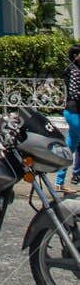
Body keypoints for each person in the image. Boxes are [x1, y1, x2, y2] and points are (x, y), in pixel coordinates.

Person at [56, 43, 80, 195]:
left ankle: (59, 182)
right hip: (74, 112)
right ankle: (60, 181)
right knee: (71, 146)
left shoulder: (74, 70)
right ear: (76, 56)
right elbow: (75, 93)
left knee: (71, 146)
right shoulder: (75, 71)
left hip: (73, 112)